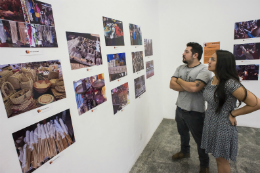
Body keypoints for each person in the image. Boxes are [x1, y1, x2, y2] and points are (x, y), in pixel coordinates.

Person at [201, 50, 260, 173]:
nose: (209, 61)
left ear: (222, 63)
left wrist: (233, 113)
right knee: (217, 158)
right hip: (211, 124)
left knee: (222, 160)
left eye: (213, 59)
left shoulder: (230, 83)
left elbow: (256, 103)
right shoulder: (212, 80)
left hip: (223, 127)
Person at [170, 42, 211, 173]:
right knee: (183, 134)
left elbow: (195, 88)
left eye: (186, 51)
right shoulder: (180, 67)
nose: (183, 53)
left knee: (200, 140)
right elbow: (171, 85)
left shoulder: (204, 70)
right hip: (180, 109)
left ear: (195, 55)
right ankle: (185, 152)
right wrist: (190, 85)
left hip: (196, 112)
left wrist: (180, 81)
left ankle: (204, 165)